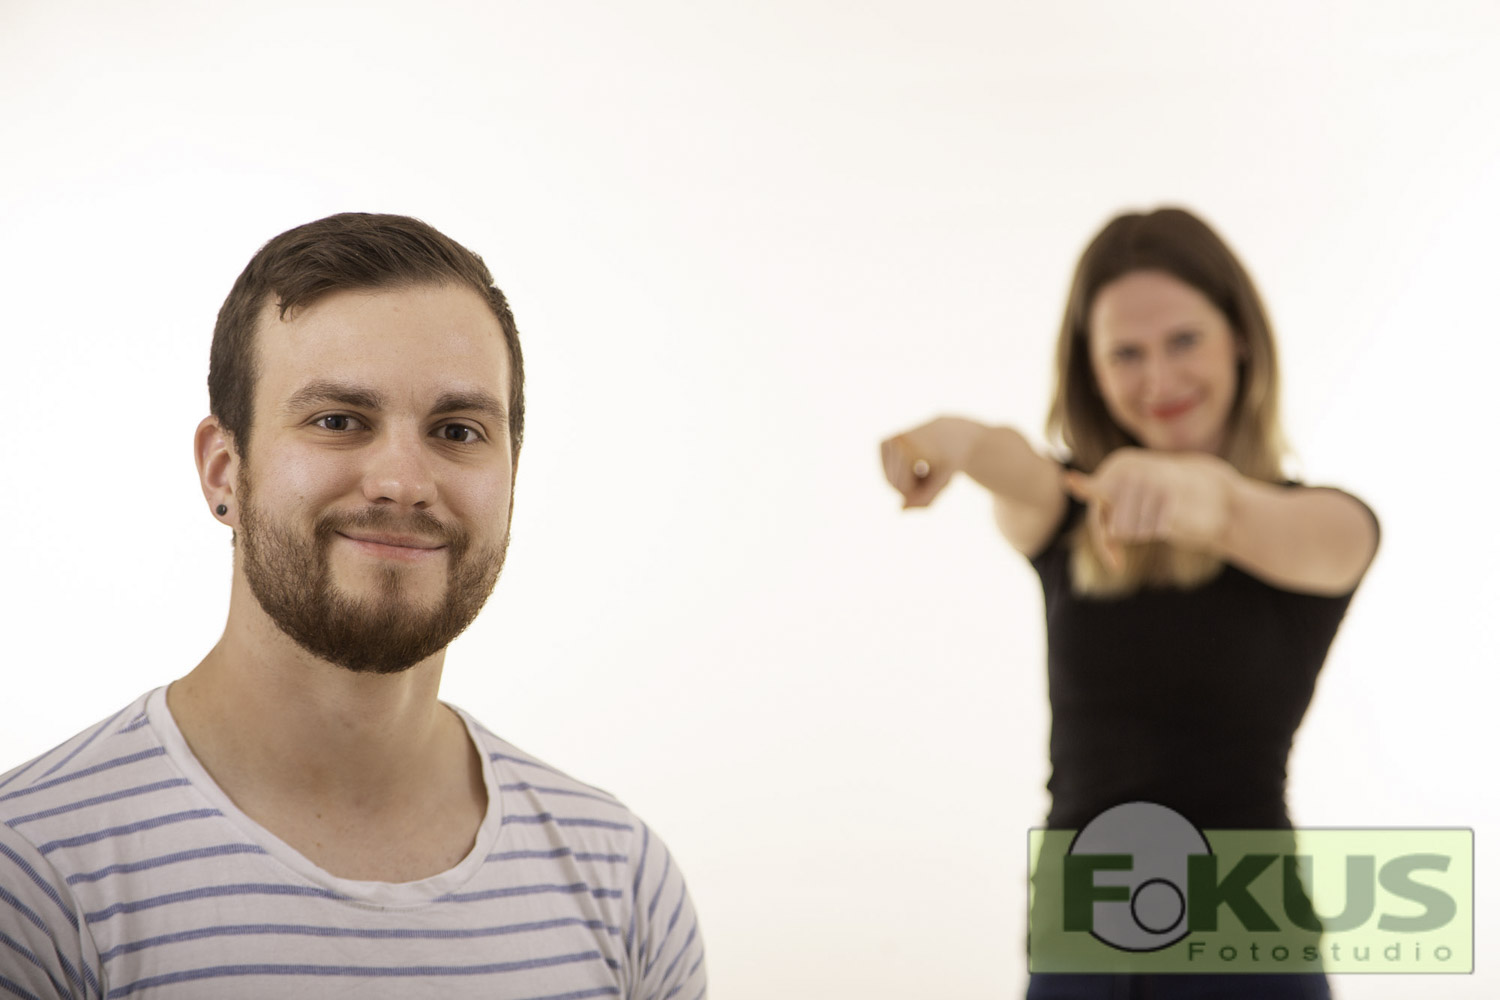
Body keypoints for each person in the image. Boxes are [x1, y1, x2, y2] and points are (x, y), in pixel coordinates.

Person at [0, 213, 707, 999]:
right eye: (337, 421)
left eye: (458, 431)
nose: (403, 482)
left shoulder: (624, 883)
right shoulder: (30, 874)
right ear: (224, 470)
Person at [880, 208, 1378, 999]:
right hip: (1080, 942)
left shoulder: (1329, 522)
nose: (1158, 381)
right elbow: (1021, 471)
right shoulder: (1069, 513)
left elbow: (1229, 510)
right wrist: (961, 441)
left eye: (1183, 341)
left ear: (1239, 338)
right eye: (1126, 353)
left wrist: (1183, 488)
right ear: (1092, 370)